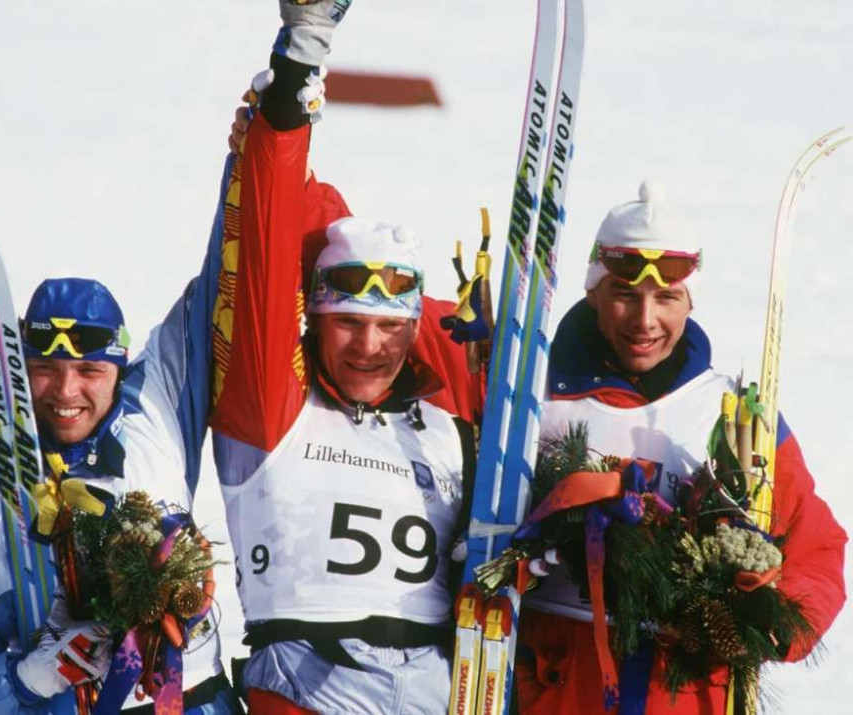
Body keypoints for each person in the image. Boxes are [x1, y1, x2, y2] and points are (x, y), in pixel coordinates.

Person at [206, 2, 486, 712]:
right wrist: (296, 70)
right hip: (307, 688)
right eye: (346, 324)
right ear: (313, 319)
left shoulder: (449, 428)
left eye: (389, 327)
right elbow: (271, 254)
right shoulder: (272, 406)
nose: (368, 346)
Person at [515, 180, 848, 713]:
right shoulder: (529, 394)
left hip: (684, 688)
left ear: (690, 301)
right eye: (624, 294)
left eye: (667, 298)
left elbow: (816, 549)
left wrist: (769, 616)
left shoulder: (732, 416)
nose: (645, 321)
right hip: (558, 682)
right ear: (592, 292)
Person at [0, 276, 240, 714]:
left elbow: (224, 281)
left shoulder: (155, 412)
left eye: (89, 370)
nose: (66, 391)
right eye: (45, 370)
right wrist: (24, 680)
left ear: (120, 366)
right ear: (19, 370)